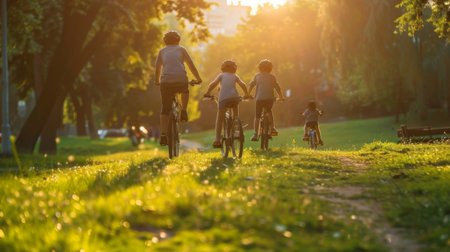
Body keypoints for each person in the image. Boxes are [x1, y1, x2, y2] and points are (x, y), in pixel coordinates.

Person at [154, 31, 202, 146]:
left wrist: (157, 81)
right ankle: (184, 110)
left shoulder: (162, 51)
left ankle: (164, 135)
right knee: (185, 90)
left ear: (165, 41)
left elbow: (157, 68)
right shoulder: (181, 49)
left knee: (165, 109)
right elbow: (191, 65)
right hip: (181, 79)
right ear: (178, 40)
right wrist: (198, 78)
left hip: (166, 82)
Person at [204, 60, 250, 148]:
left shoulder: (221, 75)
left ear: (223, 68)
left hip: (223, 99)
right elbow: (243, 84)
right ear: (234, 69)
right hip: (234, 98)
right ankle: (236, 125)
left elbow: (213, 84)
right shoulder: (235, 76)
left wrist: (208, 92)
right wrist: (246, 94)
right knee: (235, 112)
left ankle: (217, 140)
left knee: (220, 118)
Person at [248, 59, 284, 141]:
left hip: (259, 99)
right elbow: (277, 87)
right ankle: (273, 128)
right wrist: (281, 96)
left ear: (259, 68)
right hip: (269, 99)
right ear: (270, 68)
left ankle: (255, 134)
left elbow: (251, 85)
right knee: (269, 111)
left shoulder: (257, 76)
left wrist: (248, 94)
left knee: (257, 116)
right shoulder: (272, 77)